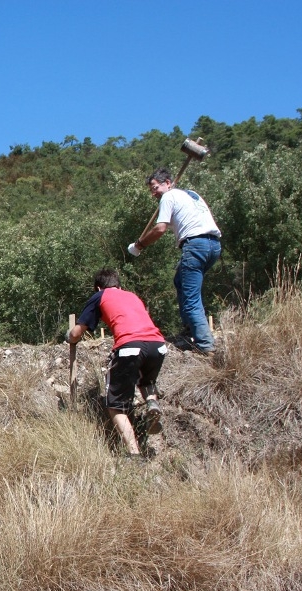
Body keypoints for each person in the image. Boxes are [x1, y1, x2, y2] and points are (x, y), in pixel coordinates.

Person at [67, 268, 167, 456]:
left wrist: (70, 337)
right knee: (146, 380)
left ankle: (133, 453)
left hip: (130, 347)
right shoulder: (132, 296)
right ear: (119, 285)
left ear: (98, 287)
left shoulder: (100, 296)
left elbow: (76, 332)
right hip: (158, 345)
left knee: (115, 404)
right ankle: (152, 403)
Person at [127, 168, 222, 353]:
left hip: (195, 246)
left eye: (155, 187)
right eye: (151, 189)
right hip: (213, 246)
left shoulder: (169, 197)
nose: (153, 192)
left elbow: (160, 229)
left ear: (168, 183)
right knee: (180, 280)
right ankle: (190, 328)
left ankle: (205, 346)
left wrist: (139, 245)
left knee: (191, 297)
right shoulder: (190, 195)